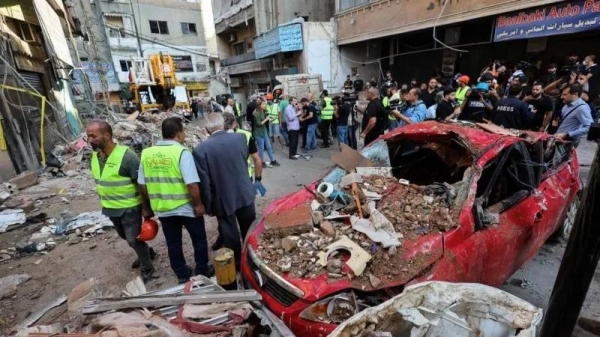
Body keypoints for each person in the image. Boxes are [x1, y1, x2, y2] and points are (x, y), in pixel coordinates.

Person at [138, 117, 209, 284]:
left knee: (173, 243)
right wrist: (198, 204)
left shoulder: (147, 154)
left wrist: (146, 208)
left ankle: (182, 274)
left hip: (164, 209)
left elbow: (142, 184)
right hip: (186, 207)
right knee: (199, 239)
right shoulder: (182, 153)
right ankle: (201, 271)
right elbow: (191, 183)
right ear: (179, 134)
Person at [87, 121, 156, 282]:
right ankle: (147, 252)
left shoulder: (127, 157)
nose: (90, 140)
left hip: (130, 207)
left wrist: (146, 208)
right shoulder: (95, 157)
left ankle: (147, 267)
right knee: (124, 236)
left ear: (107, 136)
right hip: (111, 207)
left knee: (134, 238)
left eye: (93, 136)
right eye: (88, 136)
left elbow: (141, 184)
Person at [193, 113, 259, 274]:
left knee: (229, 235)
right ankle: (253, 261)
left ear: (207, 130)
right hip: (244, 192)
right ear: (223, 125)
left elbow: (205, 182)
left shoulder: (201, 150)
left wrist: (208, 205)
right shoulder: (240, 139)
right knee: (250, 229)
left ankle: (237, 265)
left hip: (222, 198)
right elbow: (243, 162)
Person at [253, 100, 280, 167]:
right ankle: (261, 162)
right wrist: (266, 119)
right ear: (259, 106)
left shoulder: (263, 111)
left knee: (268, 146)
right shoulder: (257, 113)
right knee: (261, 148)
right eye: (263, 104)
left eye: (265, 104)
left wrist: (269, 118)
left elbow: (266, 118)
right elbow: (259, 123)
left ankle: (273, 160)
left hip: (264, 130)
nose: (265, 105)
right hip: (258, 132)